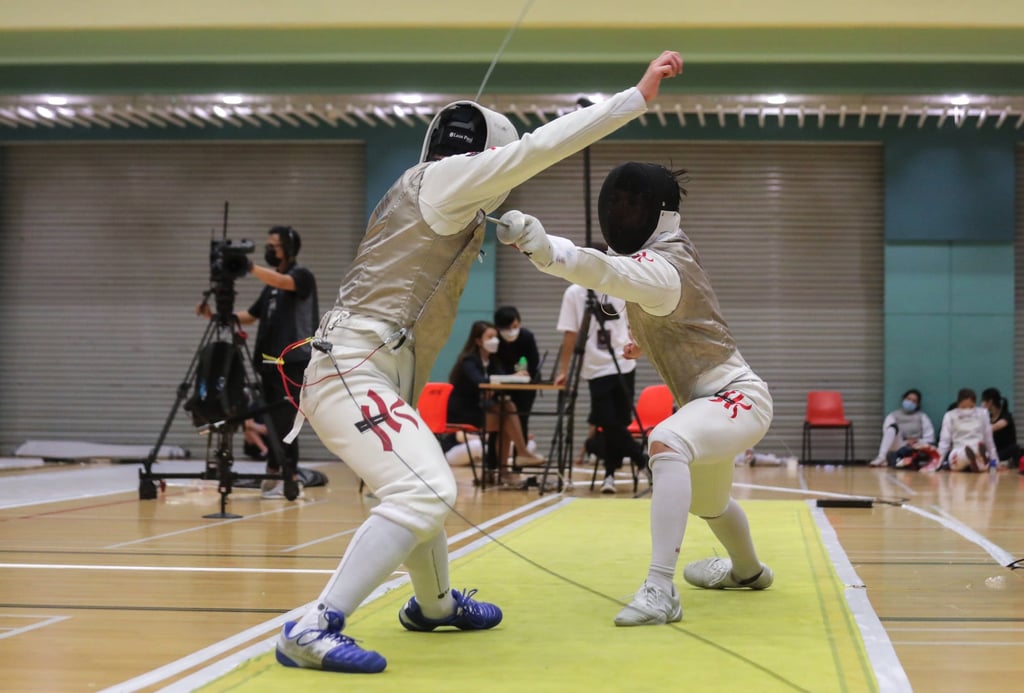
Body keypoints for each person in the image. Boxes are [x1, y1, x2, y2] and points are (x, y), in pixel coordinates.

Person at [274, 52, 684, 673]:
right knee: (424, 489)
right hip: (354, 369)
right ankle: (312, 627)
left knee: (418, 484)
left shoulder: (426, 193)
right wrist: (636, 97)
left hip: (369, 370)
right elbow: (541, 147)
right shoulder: (442, 184)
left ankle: (434, 606)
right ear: (487, 158)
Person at [497, 160, 774, 627]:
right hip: (708, 403)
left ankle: (661, 589)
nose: (622, 213)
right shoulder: (665, 252)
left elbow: (605, 271)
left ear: (658, 213)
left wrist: (544, 248)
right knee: (709, 504)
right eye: (618, 203)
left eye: (633, 204)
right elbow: (647, 295)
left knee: (666, 441)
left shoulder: (662, 266)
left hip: (738, 397)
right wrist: (644, 339)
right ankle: (748, 571)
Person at [197, 225, 318, 499]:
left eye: (273, 246)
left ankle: (291, 476)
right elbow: (251, 316)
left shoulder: (302, 277)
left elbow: (283, 281)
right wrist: (214, 316)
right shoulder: (270, 288)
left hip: (292, 363)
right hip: (267, 363)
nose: (268, 250)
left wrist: (249, 266)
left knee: (286, 421)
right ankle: (273, 472)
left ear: (288, 248)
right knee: (272, 421)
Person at [556, 281, 644, 494]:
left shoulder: (620, 286)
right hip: (596, 368)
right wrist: (564, 369)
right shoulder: (575, 293)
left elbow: (634, 324)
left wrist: (638, 347)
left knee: (620, 422)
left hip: (624, 362)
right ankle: (642, 459)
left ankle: (609, 474)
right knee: (606, 420)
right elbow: (570, 333)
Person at [447, 320, 544, 484]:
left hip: (483, 410)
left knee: (507, 410)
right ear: (478, 341)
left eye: (496, 337)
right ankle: (516, 458)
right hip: (465, 414)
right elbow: (480, 381)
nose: (495, 341)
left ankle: (507, 466)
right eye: (490, 337)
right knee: (506, 414)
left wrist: (516, 376)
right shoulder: (469, 361)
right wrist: (510, 378)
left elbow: (500, 380)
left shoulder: (493, 361)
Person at [493, 305, 541, 437]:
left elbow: (534, 361)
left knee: (522, 419)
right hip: (501, 385)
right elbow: (494, 364)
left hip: (525, 385)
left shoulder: (527, 336)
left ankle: (521, 448)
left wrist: (527, 374)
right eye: (506, 328)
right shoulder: (494, 340)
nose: (511, 331)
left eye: (514, 326)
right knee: (499, 421)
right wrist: (510, 375)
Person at [868, 389, 937, 469]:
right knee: (892, 428)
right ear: (903, 399)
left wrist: (917, 441)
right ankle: (881, 457)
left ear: (918, 404)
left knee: (920, 452)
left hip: (915, 446)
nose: (910, 402)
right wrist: (906, 441)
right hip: (899, 445)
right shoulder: (893, 416)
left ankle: (904, 461)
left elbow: (930, 438)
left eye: (914, 401)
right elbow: (887, 434)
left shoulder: (922, 417)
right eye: (908, 399)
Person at [933, 388, 997, 472]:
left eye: (971, 407)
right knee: (961, 456)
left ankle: (979, 458)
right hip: (958, 450)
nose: (967, 410)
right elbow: (944, 442)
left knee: (980, 458)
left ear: (975, 404)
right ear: (958, 404)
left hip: (978, 446)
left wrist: (995, 463)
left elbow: (989, 440)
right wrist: (936, 464)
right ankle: (974, 457)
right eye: (963, 407)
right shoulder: (950, 415)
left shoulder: (983, 414)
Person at [980, 387, 1019, 467]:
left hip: (1006, 450)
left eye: (983, 401)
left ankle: (1004, 462)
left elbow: (996, 426)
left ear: (990, 402)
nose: (982, 403)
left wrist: (982, 412)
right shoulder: (988, 417)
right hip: (994, 450)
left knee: (1015, 448)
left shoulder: (1006, 415)